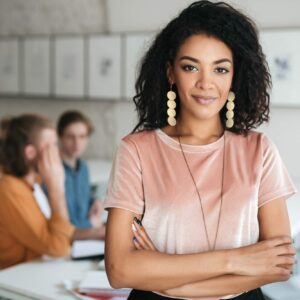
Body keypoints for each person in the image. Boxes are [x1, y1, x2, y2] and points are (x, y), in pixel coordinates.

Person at [103, 1, 297, 300]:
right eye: (190, 67)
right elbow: (119, 270)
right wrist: (235, 260)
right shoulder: (136, 150)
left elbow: (279, 266)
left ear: (234, 76)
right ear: (171, 73)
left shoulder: (259, 150)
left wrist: (165, 277)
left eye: (220, 69)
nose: (206, 83)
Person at [0, 114, 74, 269]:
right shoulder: (10, 189)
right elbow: (59, 248)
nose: (57, 153)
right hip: (11, 283)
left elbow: (57, 231)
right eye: (52, 146)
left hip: (33, 271)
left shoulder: (33, 184)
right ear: (30, 153)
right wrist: (56, 188)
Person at [57, 110, 105, 240]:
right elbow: (61, 225)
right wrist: (91, 224)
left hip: (86, 239)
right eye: (70, 136)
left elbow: (85, 196)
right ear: (60, 137)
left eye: (82, 136)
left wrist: (96, 201)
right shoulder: (53, 172)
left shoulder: (84, 168)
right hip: (66, 240)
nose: (77, 143)